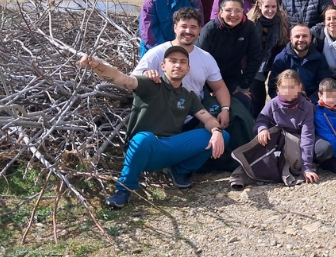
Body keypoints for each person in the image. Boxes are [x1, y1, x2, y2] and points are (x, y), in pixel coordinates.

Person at [78, 47, 229, 209]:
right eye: (173, 61)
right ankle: (123, 190)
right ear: (163, 66)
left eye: (183, 62)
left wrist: (216, 131)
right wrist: (97, 65)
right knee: (144, 138)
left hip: (169, 148)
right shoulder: (149, 84)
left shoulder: (189, 96)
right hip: (143, 148)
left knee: (223, 135)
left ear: (188, 69)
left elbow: (207, 118)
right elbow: (121, 78)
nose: (178, 65)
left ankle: (179, 171)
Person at [132, 7, 255, 173]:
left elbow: (219, 87)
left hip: (193, 112)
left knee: (236, 112)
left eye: (193, 27)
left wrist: (225, 109)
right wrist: (147, 75)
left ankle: (234, 161)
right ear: (175, 27)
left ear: (199, 30)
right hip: (163, 115)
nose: (188, 31)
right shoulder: (157, 54)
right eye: (184, 26)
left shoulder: (205, 57)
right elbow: (132, 81)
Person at [230, 70, 318, 188]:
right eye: (284, 87)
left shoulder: (307, 106)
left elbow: (307, 136)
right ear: (278, 88)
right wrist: (262, 129)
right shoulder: (273, 104)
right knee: (259, 155)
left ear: (299, 87)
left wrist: (306, 167)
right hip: (275, 138)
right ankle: (241, 175)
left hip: (294, 140)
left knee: (295, 162)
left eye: (292, 87)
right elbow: (260, 121)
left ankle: (282, 170)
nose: (287, 91)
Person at [196, 0, 262, 113]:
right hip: (208, 79)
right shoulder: (210, 29)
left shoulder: (249, 28)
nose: (233, 14)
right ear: (220, 12)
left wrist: (244, 86)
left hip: (232, 76)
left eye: (237, 11)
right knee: (210, 106)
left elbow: (255, 57)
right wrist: (207, 88)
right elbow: (199, 60)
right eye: (228, 10)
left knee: (243, 101)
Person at [247, 0, 290, 117]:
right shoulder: (250, 23)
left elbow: (283, 45)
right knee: (257, 94)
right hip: (253, 63)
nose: (270, 10)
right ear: (259, 6)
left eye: (273, 7)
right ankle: (255, 119)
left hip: (271, 61)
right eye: (267, 7)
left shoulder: (282, 23)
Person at [268, 24, 331, 103]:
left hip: (312, 104)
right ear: (290, 38)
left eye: (305, 36)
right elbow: (273, 87)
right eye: (297, 36)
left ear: (310, 38)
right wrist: (285, 102)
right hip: (287, 104)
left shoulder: (319, 59)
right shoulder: (281, 59)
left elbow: (324, 86)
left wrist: (309, 102)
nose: (301, 40)